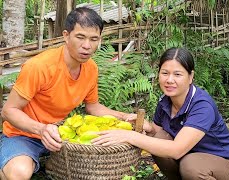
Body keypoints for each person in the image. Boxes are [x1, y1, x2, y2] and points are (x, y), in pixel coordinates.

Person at [0, 7, 136, 180]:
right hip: (23, 134)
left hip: (64, 134)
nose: (87, 46)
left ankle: (49, 163)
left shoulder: (91, 69)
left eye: (94, 39)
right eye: (80, 37)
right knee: (18, 173)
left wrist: (124, 117)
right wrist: (41, 130)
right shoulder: (40, 67)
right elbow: (8, 111)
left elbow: (93, 106)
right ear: (66, 35)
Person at [92, 47, 229, 180]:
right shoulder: (165, 100)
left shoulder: (201, 105)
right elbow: (160, 132)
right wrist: (148, 127)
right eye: (165, 73)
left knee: (191, 165)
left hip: (228, 165)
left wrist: (130, 136)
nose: (169, 80)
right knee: (158, 139)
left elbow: (177, 149)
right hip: (192, 158)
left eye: (178, 74)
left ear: (190, 77)